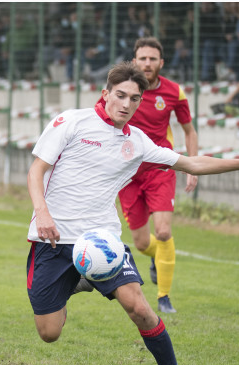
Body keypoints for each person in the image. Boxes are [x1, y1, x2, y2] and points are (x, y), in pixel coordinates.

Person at [26, 61, 239, 365]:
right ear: (105, 94)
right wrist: (42, 213)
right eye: (120, 95)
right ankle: (79, 280)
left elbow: (192, 163)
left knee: (140, 308)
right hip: (52, 239)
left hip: (103, 242)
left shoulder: (137, 142)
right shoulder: (71, 121)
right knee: (49, 333)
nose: (126, 104)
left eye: (134, 99)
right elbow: (36, 171)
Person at [82, 37, 199, 314]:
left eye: (152, 58)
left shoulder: (174, 93)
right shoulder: (124, 91)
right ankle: (160, 257)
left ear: (161, 62)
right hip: (128, 172)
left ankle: (164, 297)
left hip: (160, 168)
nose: (147, 63)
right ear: (134, 62)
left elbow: (189, 130)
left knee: (163, 231)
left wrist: (191, 167)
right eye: (142, 58)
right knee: (143, 243)